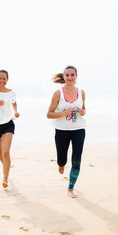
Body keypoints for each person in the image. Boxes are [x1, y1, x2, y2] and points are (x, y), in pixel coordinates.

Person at [47, 66, 86, 198]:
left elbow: (84, 110)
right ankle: (61, 164)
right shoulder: (58, 93)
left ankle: (71, 187)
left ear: (76, 76)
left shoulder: (81, 92)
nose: (70, 78)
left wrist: (82, 112)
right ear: (64, 77)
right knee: (62, 159)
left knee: (77, 159)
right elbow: (49, 114)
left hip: (79, 129)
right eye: (67, 75)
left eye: (72, 75)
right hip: (62, 130)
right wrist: (63, 113)